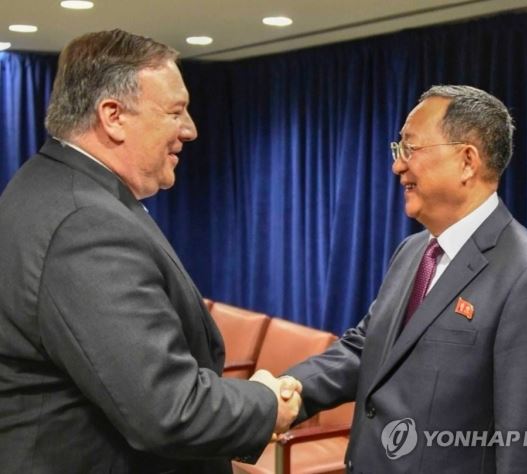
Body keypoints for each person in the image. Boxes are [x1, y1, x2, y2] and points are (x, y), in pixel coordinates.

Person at [0, 29, 301, 473]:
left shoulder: (47, 186)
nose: (190, 130)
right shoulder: (85, 223)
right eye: (176, 112)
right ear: (113, 115)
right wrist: (265, 403)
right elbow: (167, 410)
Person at [285, 85, 527, 473]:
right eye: (398, 151)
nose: (398, 166)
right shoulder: (412, 252)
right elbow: (368, 348)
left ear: (466, 161)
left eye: (411, 149)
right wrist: (282, 391)